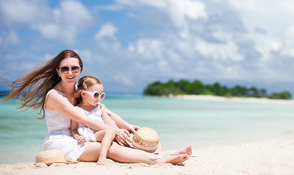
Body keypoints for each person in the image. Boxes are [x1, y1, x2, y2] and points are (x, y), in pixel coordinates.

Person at [1, 49, 192, 164]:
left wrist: (126, 126)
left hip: (83, 136)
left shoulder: (80, 90)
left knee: (114, 140)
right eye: (65, 68)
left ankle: (166, 154)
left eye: (74, 68)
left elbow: (104, 110)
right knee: (108, 148)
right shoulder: (54, 96)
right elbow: (83, 118)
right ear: (58, 71)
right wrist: (113, 130)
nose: (70, 72)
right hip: (62, 141)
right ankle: (155, 160)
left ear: (80, 70)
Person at [71, 75, 116, 165]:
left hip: (101, 133)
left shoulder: (99, 107)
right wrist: (77, 137)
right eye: (95, 95)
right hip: (90, 135)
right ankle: (102, 159)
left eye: (101, 95)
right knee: (110, 132)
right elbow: (73, 129)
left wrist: (119, 130)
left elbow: (108, 122)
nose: (99, 98)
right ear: (83, 94)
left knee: (112, 130)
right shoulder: (77, 110)